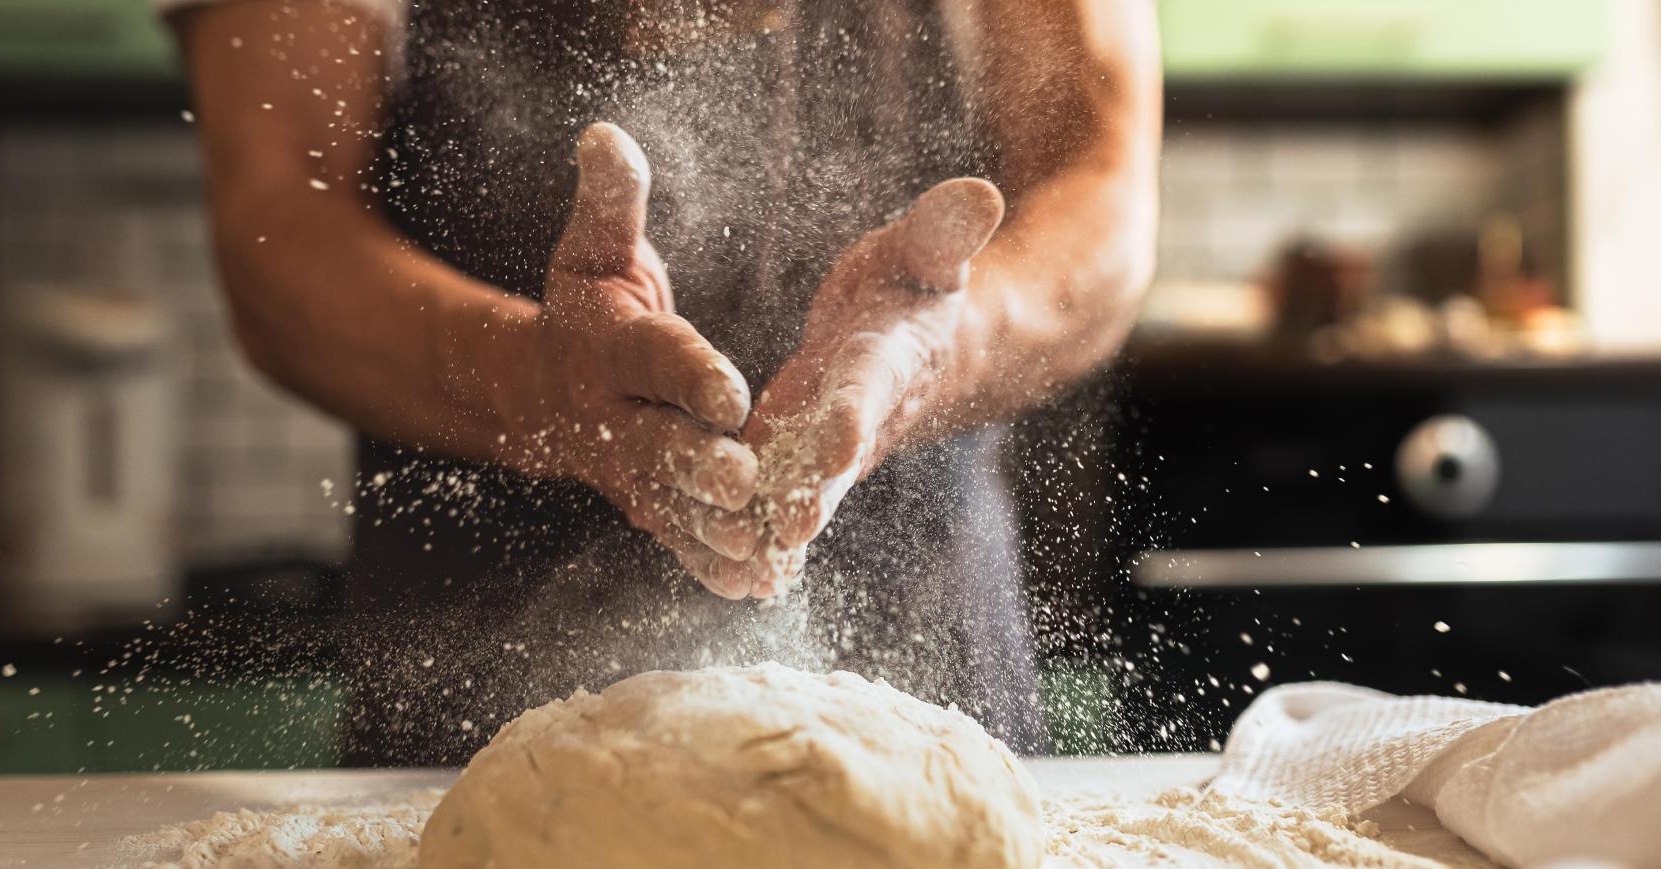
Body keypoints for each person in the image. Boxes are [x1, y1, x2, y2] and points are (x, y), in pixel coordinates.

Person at [165, 0, 1159, 763]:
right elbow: (278, 235)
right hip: (470, 698)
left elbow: (1099, 190)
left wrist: (936, 348)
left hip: (927, 654)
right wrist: (532, 386)